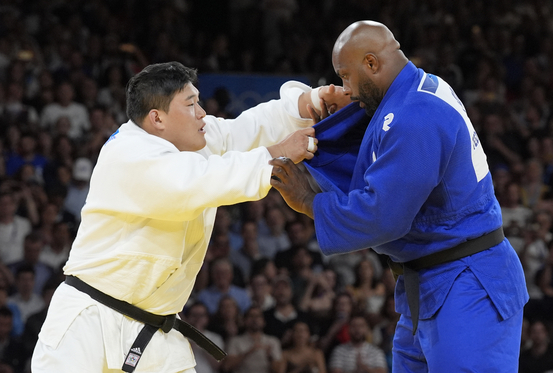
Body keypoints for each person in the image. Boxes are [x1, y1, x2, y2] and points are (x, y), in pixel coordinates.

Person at [31, 61, 350, 373]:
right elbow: (201, 181)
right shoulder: (129, 155)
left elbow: (244, 129)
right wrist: (278, 152)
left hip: (155, 331)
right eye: (191, 104)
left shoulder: (187, 138)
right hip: (88, 325)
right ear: (157, 118)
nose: (202, 113)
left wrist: (309, 101)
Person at [269, 21, 528, 372]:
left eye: (346, 76)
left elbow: (383, 216)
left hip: (466, 284)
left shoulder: (415, 115)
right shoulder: (417, 90)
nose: (346, 89)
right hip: (429, 283)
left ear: (372, 64)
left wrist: (308, 201)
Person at [222, 305, 283, 373]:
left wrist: (270, 357)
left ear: (263, 322)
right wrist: (249, 351)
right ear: (244, 321)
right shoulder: (235, 341)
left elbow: (279, 370)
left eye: (258, 316)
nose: (255, 319)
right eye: (251, 316)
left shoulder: (273, 341)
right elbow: (227, 366)